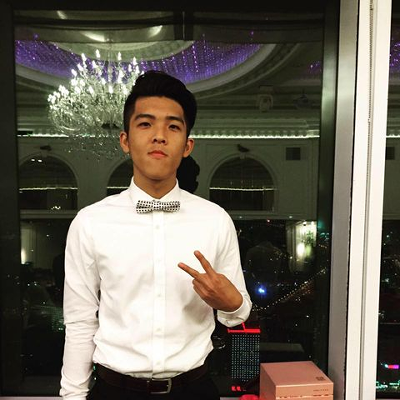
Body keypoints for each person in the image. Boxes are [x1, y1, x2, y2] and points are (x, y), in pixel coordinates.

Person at [60, 70, 252, 400]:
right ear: (125, 140)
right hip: (115, 392)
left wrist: (231, 302)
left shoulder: (215, 220)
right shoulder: (90, 222)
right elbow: (79, 322)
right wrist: (72, 396)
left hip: (194, 391)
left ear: (187, 145)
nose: (159, 136)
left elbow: (238, 313)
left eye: (173, 126)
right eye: (146, 124)